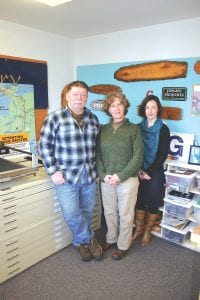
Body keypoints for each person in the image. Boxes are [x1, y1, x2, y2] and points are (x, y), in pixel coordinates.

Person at [39, 80, 103, 262]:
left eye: (83, 95)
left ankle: (79, 243)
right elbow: (44, 146)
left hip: (89, 175)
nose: (79, 98)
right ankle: (89, 239)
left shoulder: (93, 119)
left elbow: (96, 147)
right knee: (71, 212)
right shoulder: (54, 118)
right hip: (66, 177)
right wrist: (53, 171)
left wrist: (97, 170)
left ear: (87, 98)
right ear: (67, 96)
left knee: (88, 211)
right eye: (75, 94)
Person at [96, 92, 143, 260]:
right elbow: (98, 155)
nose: (116, 108)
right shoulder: (104, 130)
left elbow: (137, 157)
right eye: (112, 105)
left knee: (125, 214)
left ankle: (123, 245)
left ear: (125, 107)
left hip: (127, 180)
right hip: (107, 180)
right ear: (108, 109)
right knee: (109, 212)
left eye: (119, 105)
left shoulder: (134, 129)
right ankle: (111, 239)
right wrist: (103, 175)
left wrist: (120, 176)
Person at [132, 95, 170, 246]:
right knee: (139, 200)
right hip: (139, 170)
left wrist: (149, 171)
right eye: (147, 107)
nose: (150, 110)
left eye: (153, 107)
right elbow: (135, 151)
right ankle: (139, 229)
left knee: (153, 201)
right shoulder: (137, 128)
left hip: (155, 171)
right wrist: (140, 170)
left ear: (158, 109)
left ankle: (147, 232)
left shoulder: (163, 129)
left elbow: (162, 154)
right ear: (143, 109)